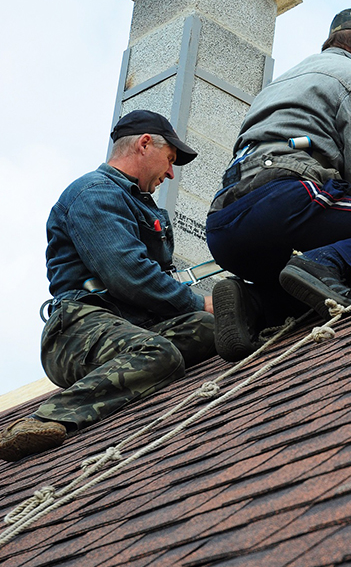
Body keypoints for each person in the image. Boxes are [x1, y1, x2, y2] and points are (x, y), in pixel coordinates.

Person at [206, 8, 351, 362]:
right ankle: (322, 263)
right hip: (286, 202)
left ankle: (254, 302)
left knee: (309, 284)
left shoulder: (280, 86)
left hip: (225, 229)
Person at [0, 110, 216, 462]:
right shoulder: (94, 194)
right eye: (170, 159)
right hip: (77, 329)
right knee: (160, 353)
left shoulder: (141, 206)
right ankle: (42, 420)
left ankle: (131, 372)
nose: (171, 173)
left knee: (209, 329)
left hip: (131, 326)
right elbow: (128, 274)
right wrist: (197, 302)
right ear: (145, 144)